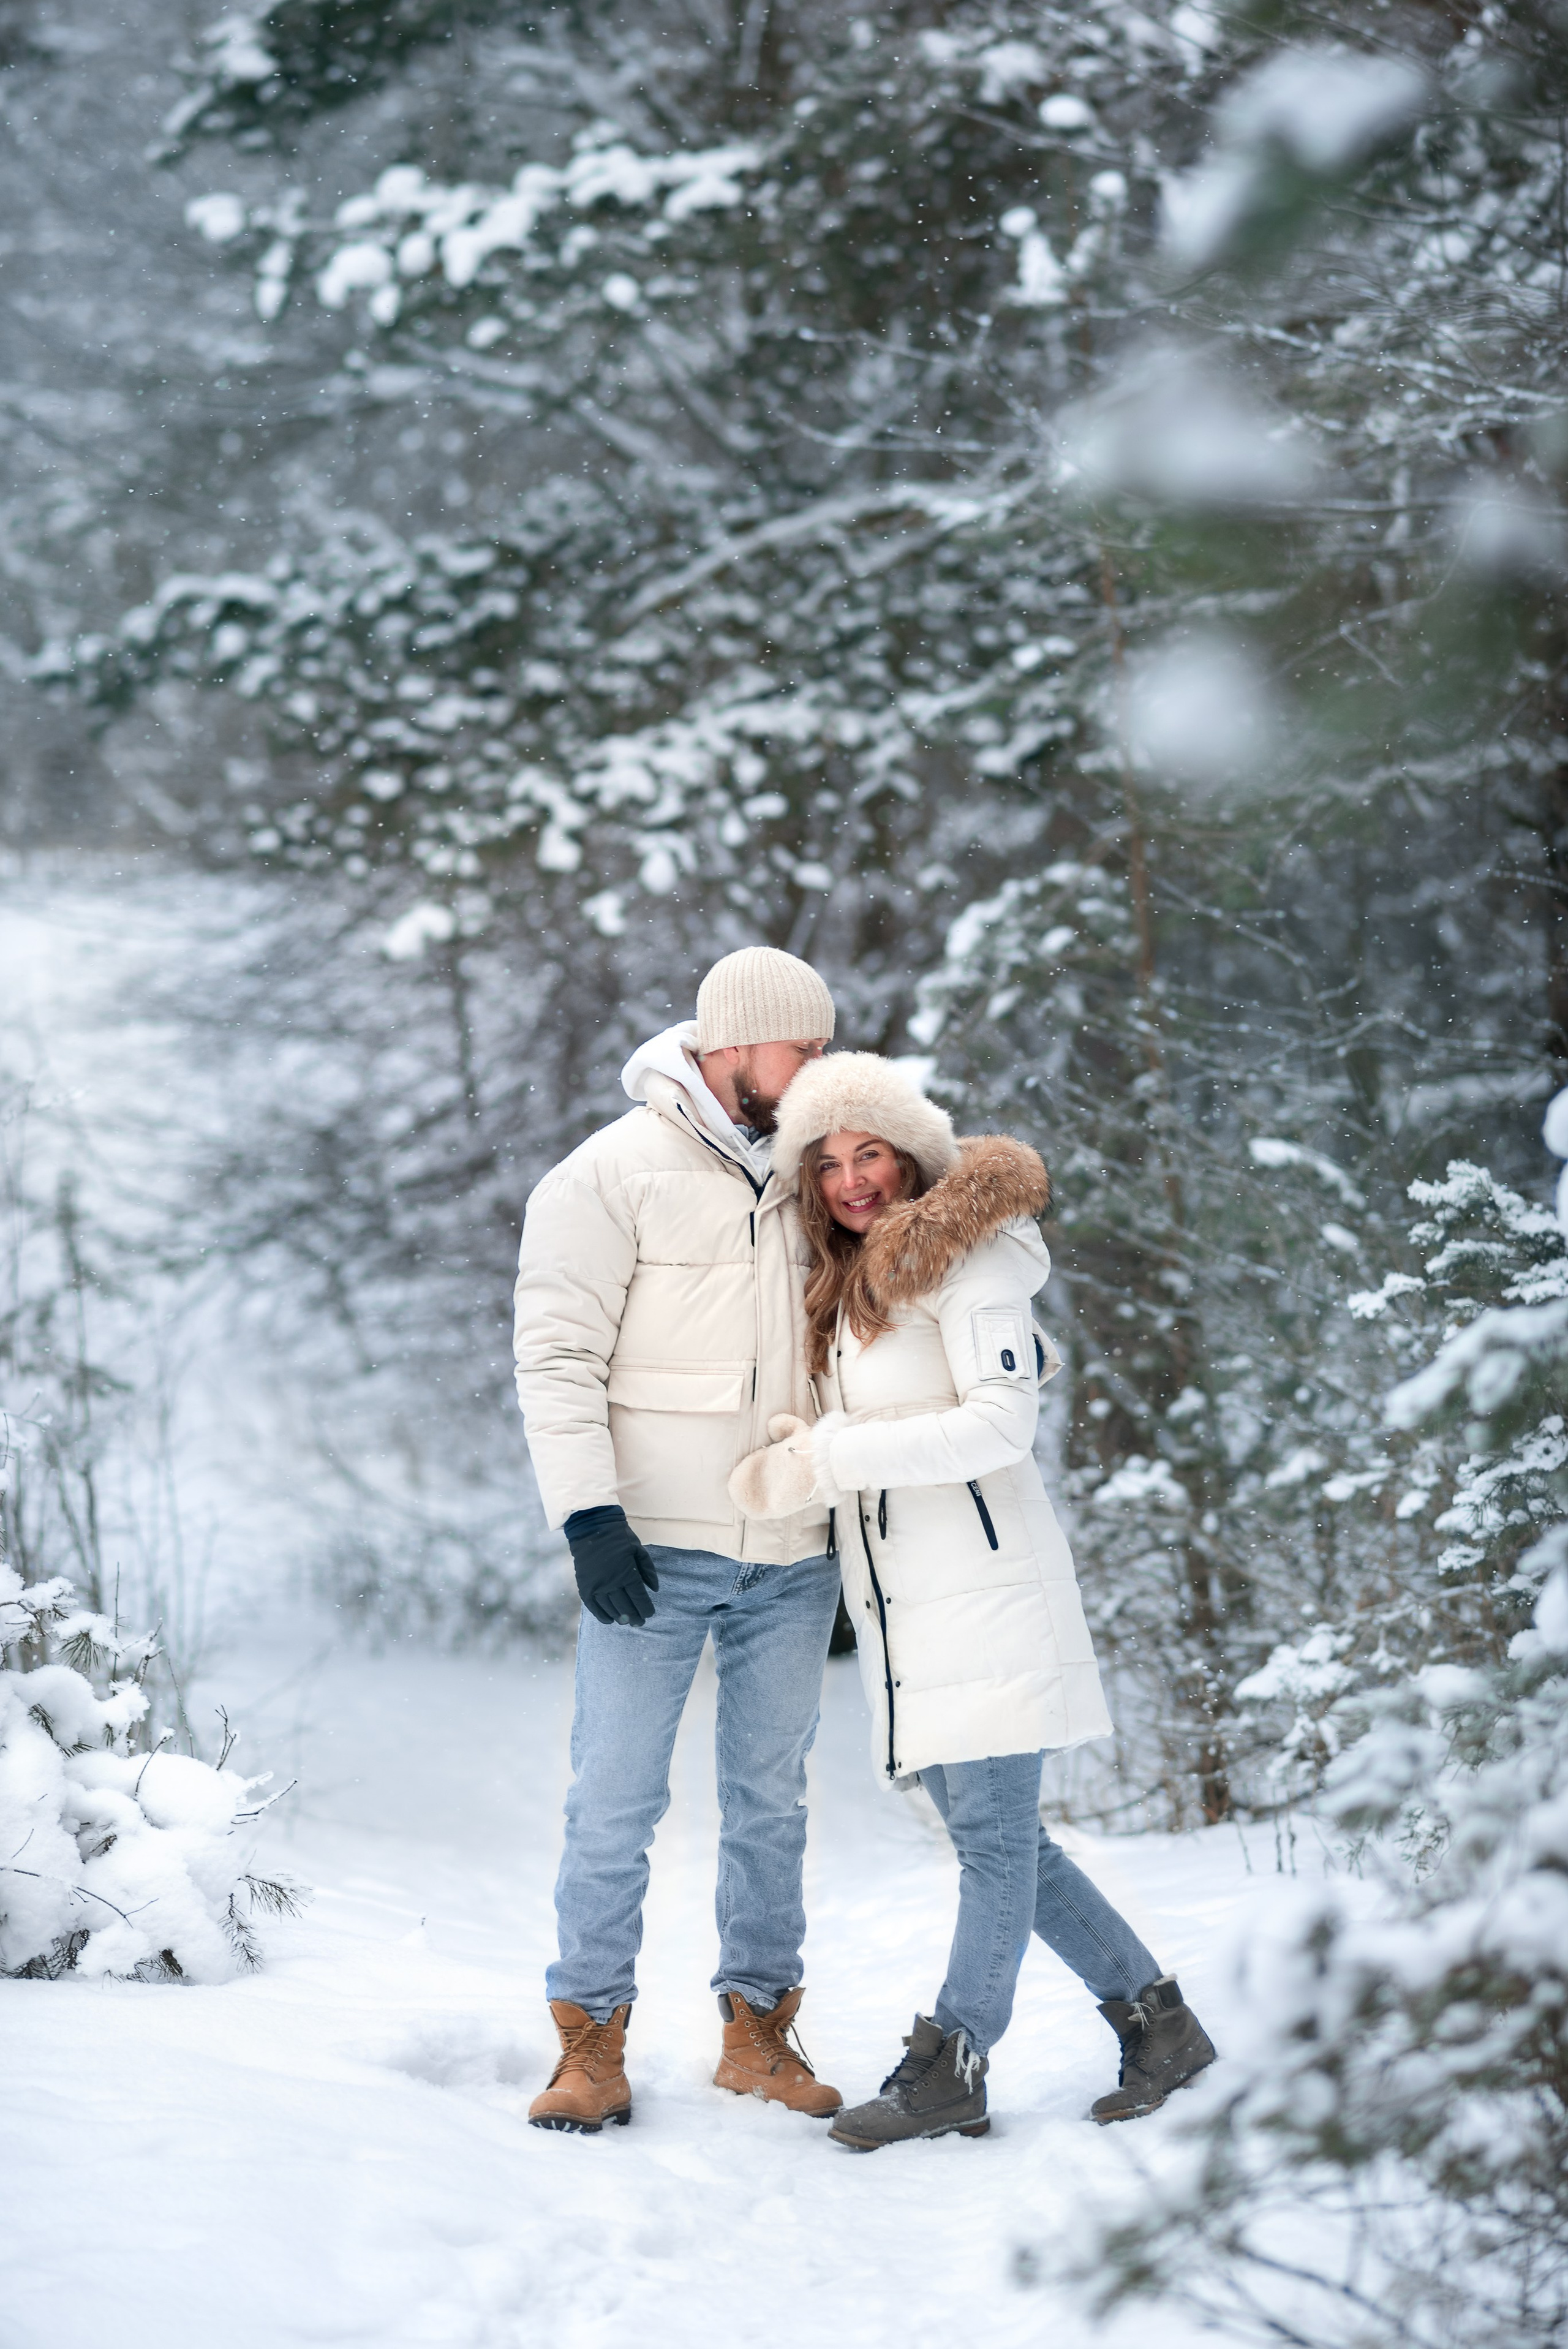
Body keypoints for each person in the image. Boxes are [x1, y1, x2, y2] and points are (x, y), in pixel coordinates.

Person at [728, 1053, 1215, 2147]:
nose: (853, 1179)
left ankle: (952, 2062)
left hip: (986, 1596)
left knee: (997, 1849)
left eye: (872, 1154)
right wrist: (811, 1453)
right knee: (1011, 1849)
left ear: (911, 1157)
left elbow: (1002, 1422)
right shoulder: (850, 1282)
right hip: (917, 1609)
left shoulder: (972, 1258)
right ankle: (1162, 2025)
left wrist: (839, 1452)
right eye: (831, 1161)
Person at [512, 946, 846, 2132]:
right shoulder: (608, 1175)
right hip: (649, 1549)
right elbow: (555, 1357)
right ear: (730, 1044)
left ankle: (756, 2033)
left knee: (770, 1802)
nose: (815, 1070)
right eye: (797, 1049)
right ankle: (588, 2044)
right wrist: (588, 1516)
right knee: (612, 1800)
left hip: (792, 1551)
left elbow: (857, 1349)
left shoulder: (826, 1173)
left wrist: (849, 1525)